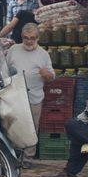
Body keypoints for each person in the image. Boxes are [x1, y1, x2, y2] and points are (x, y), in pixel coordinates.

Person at [6, 23, 55, 167]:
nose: (29, 41)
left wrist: (47, 75)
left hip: (34, 96)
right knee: (12, 125)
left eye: (32, 38)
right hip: (14, 95)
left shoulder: (43, 54)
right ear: (21, 37)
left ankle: (28, 158)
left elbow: (52, 76)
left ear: (37, 38)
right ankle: (12, 155)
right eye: (26, 38)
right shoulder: (13, 50)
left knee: (32, 126)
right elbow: (5, 70)